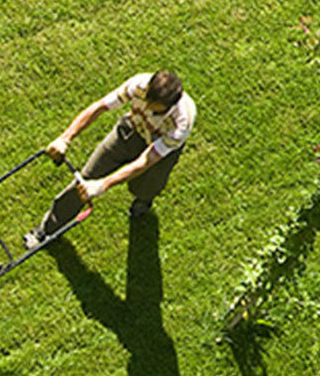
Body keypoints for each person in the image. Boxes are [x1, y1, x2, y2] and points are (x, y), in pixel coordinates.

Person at [23, 70, 196, 249]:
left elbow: (147, 160)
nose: (146, 106)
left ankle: (143, 200)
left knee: (145, 187)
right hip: (130, 130)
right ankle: (46, 230)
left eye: (154, 106)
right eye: (146, 99)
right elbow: (100, 107)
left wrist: (103, 185)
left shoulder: (182, 122)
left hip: (159, 149)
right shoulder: (139, 84)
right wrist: (65, 138)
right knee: (85, 180)